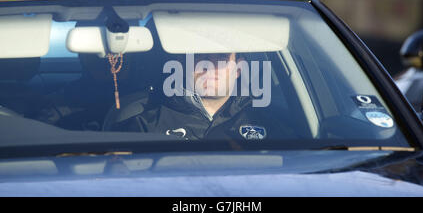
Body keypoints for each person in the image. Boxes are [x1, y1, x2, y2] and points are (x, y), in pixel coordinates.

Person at [108, 52, 295, 141]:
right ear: (184, 64)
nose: (209, 67)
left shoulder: (270, 125)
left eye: (221, 58)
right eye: (201, 57)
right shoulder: (144, 127)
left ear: (239, 68)